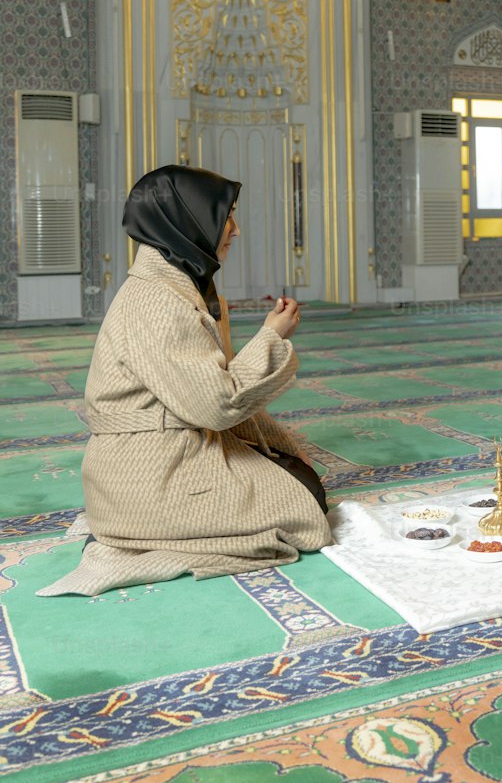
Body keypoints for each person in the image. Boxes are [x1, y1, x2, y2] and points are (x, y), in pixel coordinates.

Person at [39, 165, 332, 598]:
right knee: (303, 511)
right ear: (188, 221)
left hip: (164, 454)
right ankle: (145, 533)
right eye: (225, 217)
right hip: (148, 476)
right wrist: (272, 337)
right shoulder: (157, 300)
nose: (234, 229)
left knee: (301, 478)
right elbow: (217, 406)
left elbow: (218, 386)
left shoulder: (180, 286)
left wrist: (282, 447)